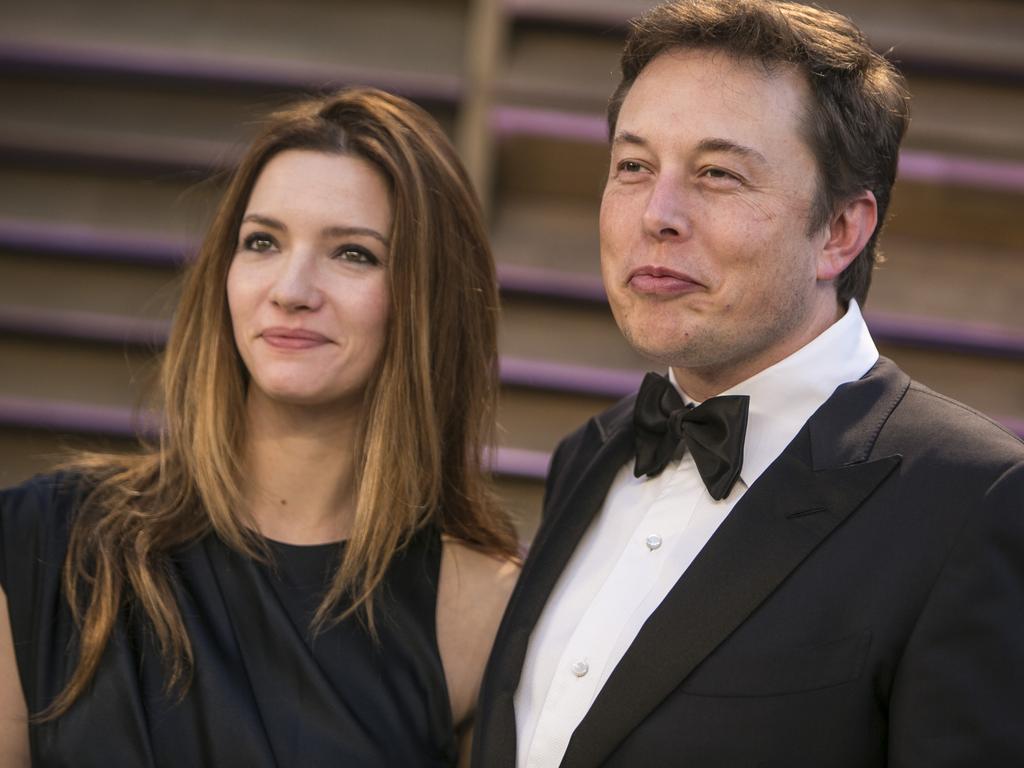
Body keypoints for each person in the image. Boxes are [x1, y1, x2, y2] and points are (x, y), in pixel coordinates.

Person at [474, 1, 1024, 766]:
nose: (657, 214)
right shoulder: (590, 453)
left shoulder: (975, 501)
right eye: (633, 166)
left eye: (718, 175)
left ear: (840, 230)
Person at [0, 87, 520, 767]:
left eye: (353, 254)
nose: (291, 288)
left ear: (429, 299)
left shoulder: (482, 608)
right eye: (263, 242)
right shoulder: (47, 544)